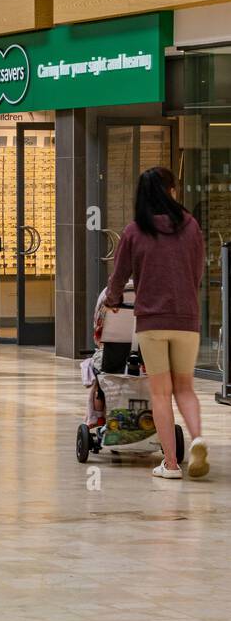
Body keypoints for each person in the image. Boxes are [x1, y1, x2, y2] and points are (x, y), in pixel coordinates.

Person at [104, 166, 208, 481]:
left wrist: (112, 300)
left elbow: (118, 278)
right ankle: (198, 438)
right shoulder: (191, 227)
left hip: (151, 321)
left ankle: (171, 464)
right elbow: (198, 271)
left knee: (161, 394)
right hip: (186, 318)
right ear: (171, 192)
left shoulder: (135, 231)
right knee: (185, 388)